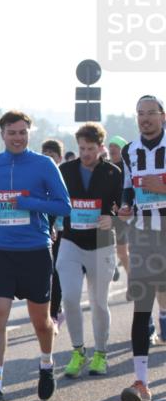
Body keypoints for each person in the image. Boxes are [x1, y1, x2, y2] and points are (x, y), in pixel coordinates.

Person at [0, 111, 71, 401]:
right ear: (2, 134)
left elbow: (63, 206)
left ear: (29, 134)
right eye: (12, 132)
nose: (18, 137)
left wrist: (27, 203)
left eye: (23, 132)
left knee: (41, 322)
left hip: (36, 251)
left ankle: (47, 363)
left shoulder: (43, 164)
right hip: (1, 250)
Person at [56, 123, 122, 378]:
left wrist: (113, 219)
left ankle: (101, 354)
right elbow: (55, 199)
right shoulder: (65, 170)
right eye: (82, 148)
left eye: (90, 149)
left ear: (101, 147)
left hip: (101, 242)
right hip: (71, 241)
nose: (85, 153)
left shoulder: (113, 173)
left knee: (98, 303)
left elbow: (124, 206)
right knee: (70, 298)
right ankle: (77, 351)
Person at [117, 94, 166, 401]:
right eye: (140, 114)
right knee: (142, 306)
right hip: (144, 233)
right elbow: (127, 186)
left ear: (163, 116)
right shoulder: (129, 151)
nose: (145, 118)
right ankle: (141, 383)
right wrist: (123, 205)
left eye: (151, 113)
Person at [41, 139, 66, 334]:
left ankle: (55, 313)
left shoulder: (65, 175)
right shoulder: (39, 179)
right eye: (45, 156)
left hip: (66, 232)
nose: (49, 161)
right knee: (48, 273)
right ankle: (53, 310)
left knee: (57, 273)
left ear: (59, 158)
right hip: (47, 232)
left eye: (52, 157)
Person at [109, 135, 131, 282]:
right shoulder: (107, 168)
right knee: (121, 252)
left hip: (130, 214)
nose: (112, 149)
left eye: (116, 146)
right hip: (114, 215)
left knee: (134, 250)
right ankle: (132, 278)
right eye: (110, 146)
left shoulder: (129, 167)